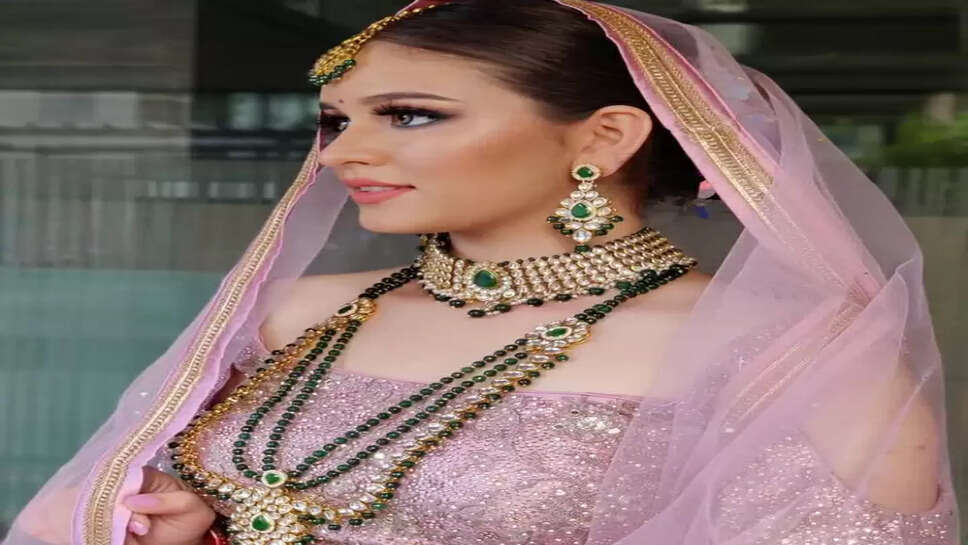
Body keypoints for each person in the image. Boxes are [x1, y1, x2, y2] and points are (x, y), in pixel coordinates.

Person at [4, 1, 959, 544]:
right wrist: (182, 521)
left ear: (605, 138)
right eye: (337, 120)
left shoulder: (787, 354)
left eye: (411, 114)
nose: (344, 151)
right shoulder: (294, 315)